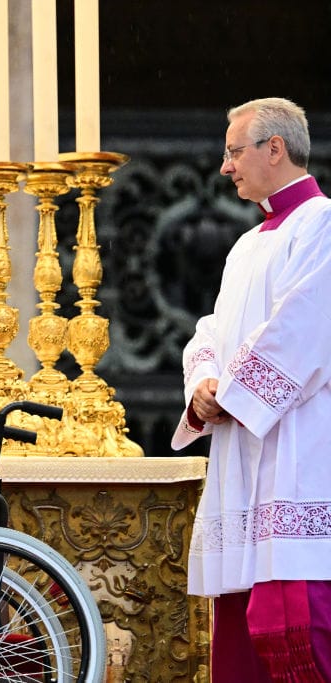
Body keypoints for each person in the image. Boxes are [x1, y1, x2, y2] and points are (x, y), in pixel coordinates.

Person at [171, 98, 331, 682]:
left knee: (295, 629)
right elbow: (210, 331)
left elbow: (303, 329)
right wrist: (205, 385)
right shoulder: (246, 245)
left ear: (275, 148)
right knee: (238, 641)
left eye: (234, 151)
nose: (224, 167)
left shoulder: (323, 224)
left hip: (299, 454)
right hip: (244, 458)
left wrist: (234, 394)